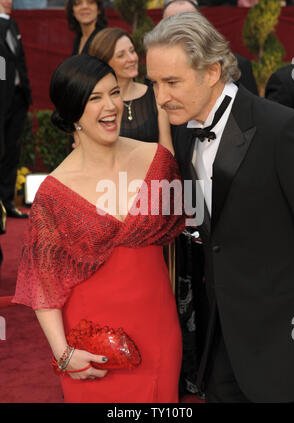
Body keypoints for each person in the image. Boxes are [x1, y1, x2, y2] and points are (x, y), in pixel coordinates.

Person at [144, 11, 294, 403]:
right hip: (220, 338)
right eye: (154, 83)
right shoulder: (184, 132)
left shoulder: (281, 129)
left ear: (212, 71)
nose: (160, 98)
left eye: (172, 82)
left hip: (283, 341)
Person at [13, 54, 186, 403]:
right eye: (94, 98)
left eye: (114, 93)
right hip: (90, 346)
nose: (110, 106)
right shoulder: (54, 194)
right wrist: (64, 354)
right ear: (73, 110)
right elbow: (43, 284)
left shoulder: (158, 161)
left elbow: (176, 248)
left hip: (159, 332)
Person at [89, 27, 174, 152]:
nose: (132, 58)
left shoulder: (155, 95)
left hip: (152, 170)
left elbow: (167, 151)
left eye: (132, 51)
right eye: (121, 55)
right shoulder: (93, 102)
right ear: (104, 61)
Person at [162, 0, 258, 95]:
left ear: (201, 23)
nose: (181, 30)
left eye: (188, 21)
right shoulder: (156, 68)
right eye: (171, 23)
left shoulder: (237, 65)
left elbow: (252, 107)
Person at [0, 0, 32, 218]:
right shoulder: (4, 25)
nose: (9, 0)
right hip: (2, 97)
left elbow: (17, 60)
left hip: (18, 97)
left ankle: (7, 201)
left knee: (12, 151)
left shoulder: (13, 25)